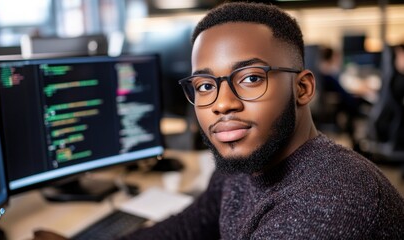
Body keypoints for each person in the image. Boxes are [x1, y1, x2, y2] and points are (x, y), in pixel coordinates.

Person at [33, 2, 404, 239]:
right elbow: (189, 227)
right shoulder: (241, 162)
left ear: (303, 88)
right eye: (206, 85)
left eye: (251, 78)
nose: (222, 104)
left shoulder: (329, 204)